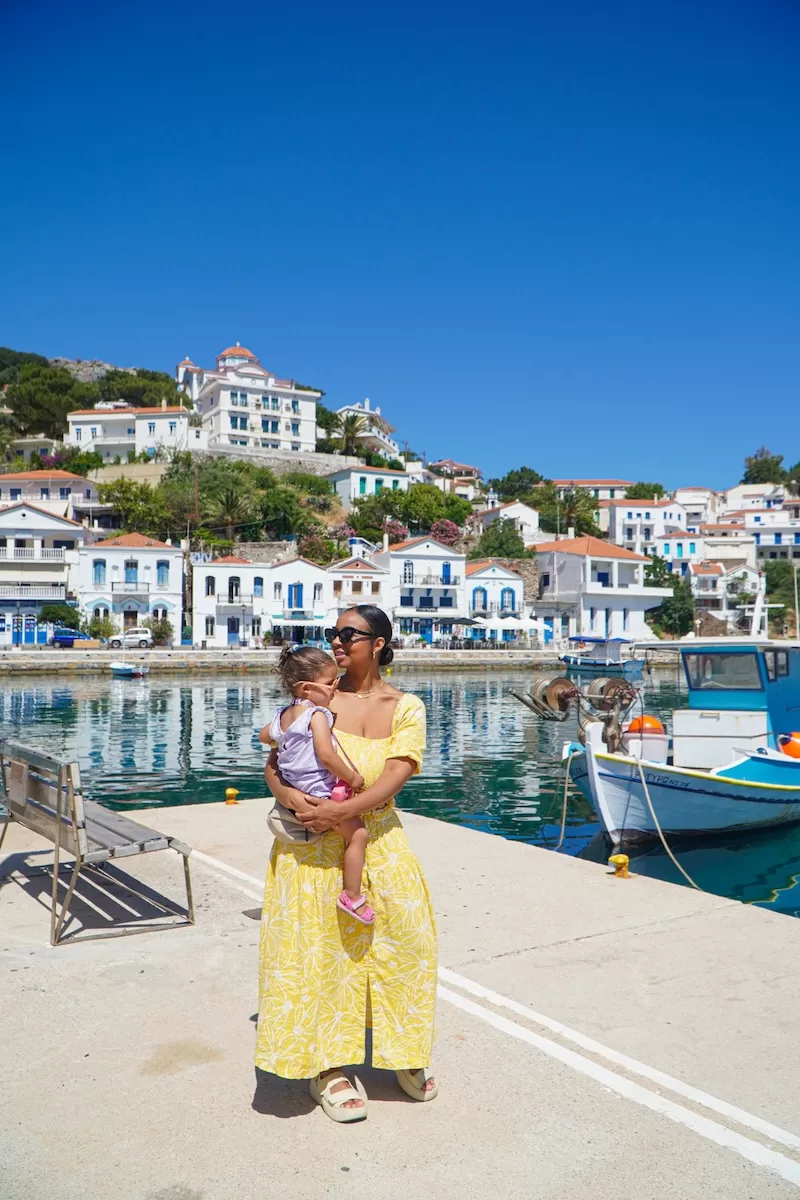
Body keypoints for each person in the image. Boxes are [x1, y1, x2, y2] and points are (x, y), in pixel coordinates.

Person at [255, 605, 438, 1123]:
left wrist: (342, 809)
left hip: (376, 836)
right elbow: (273, 762)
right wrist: (292, 800)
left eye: (348, 634)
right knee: (316, 953)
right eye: (333, 634)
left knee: (405, 944)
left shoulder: (404, 705)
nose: (337, 641)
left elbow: (398, 772)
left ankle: (402, 1051)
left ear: (378, 642)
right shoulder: (313, 697)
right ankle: (325, 1066)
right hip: (309, 849)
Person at [269, 644, 373, 924]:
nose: (334, 688)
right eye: (329, 683)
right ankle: (351, 895)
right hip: (320, 793)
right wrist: (353, 778)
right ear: (305, 689)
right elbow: (326, 756)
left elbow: (264, 736)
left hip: (295, 792)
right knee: (359, 835)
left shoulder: (281, 716)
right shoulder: (317, 716)